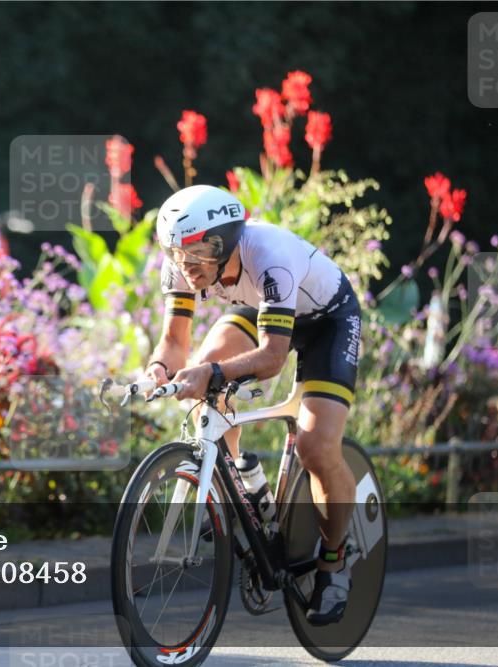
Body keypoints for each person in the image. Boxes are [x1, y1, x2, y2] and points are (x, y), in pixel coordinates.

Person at [139, 184, 361, 626]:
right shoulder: (182, 264)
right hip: (260, 310)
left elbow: (272, 359)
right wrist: (159, 368)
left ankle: (335, 562)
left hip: (326, 321)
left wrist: (211, 375)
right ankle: (243, 485)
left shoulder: (269, 254)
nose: (187, 264)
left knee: (315, 446)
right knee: (205, 372)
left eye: (198, 253)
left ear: (225, 241)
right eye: (177, 253)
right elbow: (174, 341)